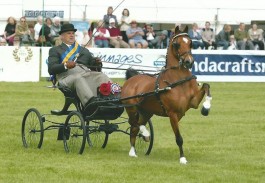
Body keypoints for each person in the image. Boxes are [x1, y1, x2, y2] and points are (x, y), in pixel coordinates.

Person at [48, 23, 112, 114]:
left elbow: (94, 67)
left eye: (73, 33)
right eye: (68, 33)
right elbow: (51, 69)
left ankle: (110, 100)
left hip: (85, 74)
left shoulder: (83, 50)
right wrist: (66, 65)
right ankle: (91, 104)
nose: (71, 35)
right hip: (65, 78)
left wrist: (97, 63)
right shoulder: (55, 50)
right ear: (61, 36)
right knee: (78, 78)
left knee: (101, 76)